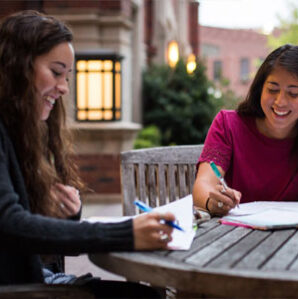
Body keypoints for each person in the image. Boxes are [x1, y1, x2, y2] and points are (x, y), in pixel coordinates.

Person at [0, 10, 175, 297]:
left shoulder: (24, 132)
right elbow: (10, 225)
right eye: (56, 72)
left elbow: (28, 233)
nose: (64, 88)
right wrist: (126, 234)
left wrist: (65, 214)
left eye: (67, 76)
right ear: (17, 66)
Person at [193, 44, 298, 216]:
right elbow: (203, 184)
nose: (280, 101)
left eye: (293, 93)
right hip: (236, 237)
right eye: (272, 90)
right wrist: (212, 201)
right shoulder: (228, 125)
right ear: (260, 89)